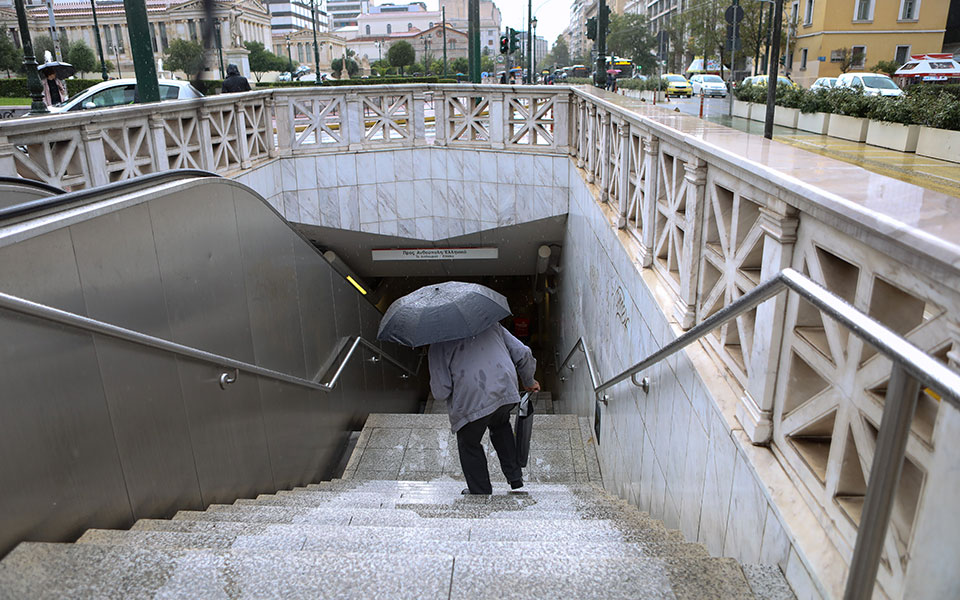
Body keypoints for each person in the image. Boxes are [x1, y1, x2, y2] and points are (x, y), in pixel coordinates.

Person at [429, 323, 540, 495]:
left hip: (472, 398)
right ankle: (515, 477)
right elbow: (523, 352)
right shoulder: (490, 323)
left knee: (469, 443)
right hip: (506, 388)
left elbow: (440, 391)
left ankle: (480, 492)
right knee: (501, 424)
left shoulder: (438, 340)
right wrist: (529, 381)